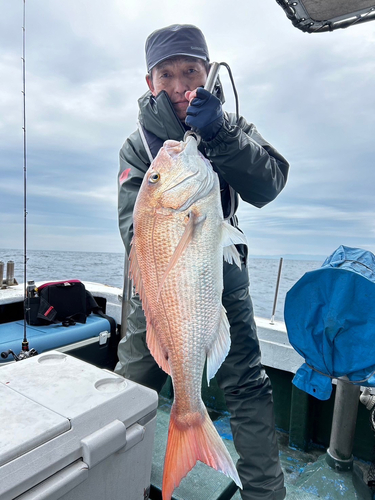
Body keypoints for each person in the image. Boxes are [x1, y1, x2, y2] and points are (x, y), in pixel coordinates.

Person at [115, 24, 289, 500]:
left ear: (207, 71)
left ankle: (264, 494)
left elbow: (269, 185)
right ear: (149, 81)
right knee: (130, 383)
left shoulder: (232, 127)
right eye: (165, 74)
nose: (178, 85)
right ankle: (109, 481)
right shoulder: (140, 145)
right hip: (156, 291)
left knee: (248, 389)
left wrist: (220, 134)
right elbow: (134, 228)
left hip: (221, 280)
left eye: (190, 70)